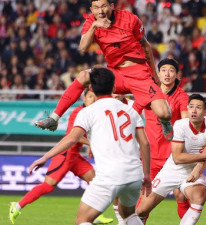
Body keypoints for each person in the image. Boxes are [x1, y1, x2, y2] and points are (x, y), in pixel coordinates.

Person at [34, 0, 173, 141]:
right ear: (91, 9)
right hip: (115, 75)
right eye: (96, 7)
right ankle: (54, 118)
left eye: (103, 6)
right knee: (83, 75)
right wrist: (94, 26)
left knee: (164, 113)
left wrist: (154, 75)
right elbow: (82, 48)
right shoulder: (90, 23)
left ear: (111, 6)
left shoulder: (130, 19)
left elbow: (146, 46)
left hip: (138, 73)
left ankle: (165, 121)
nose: (100, 11)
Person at [28, 67, 151, 225]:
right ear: (114, 87)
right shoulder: (130, 110)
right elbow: (145, 143)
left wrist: (45, 157)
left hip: (110, 175)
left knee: (82, 220)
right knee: (129, 215)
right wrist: (146, 175)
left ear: (90, 88)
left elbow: (72, 139)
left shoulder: (88, 112)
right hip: (135, 173)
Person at [136, 94, 206, 225]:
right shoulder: (180, 125)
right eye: (191, 107)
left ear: (205, 112)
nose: (193, 110)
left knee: (199, 196)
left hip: (191, 173)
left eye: (198, 107)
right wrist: (204, 156)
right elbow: (177, 158)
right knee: (141, 211)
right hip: (171, 171)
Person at [9, 90, 113, 225]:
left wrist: (90, 147)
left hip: (75, 156)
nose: (93, 100)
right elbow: (74, 136)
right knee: (49, 185)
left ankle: (93, 215)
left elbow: (89, 133)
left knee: (94, 182)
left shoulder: (92, 113)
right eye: (90, 97)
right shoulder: (78, 112)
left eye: (95, 97)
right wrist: (92, 143)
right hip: (66, 153)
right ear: (84, 98)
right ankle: (17, 206)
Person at [144, 58, 191, 219]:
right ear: (158, 73)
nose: (167, 73)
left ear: (177, 75)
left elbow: (186, 120)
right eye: (164, 69)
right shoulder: (150, 92)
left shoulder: (182, 96)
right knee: (145, 200)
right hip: (150, 155)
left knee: (181, 196)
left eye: (171, 70)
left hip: (172, 156)